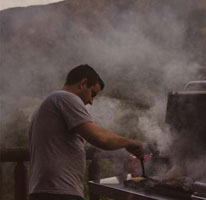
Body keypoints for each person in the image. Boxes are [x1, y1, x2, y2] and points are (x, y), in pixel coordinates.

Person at [28, 64, 144, 200]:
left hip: (45, 191)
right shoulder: (65, 98)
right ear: (83, 83)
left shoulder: (46, 104)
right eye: (92, 93)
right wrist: (129, 143)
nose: (91, 101)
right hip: (59, 192)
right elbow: (101, 138)